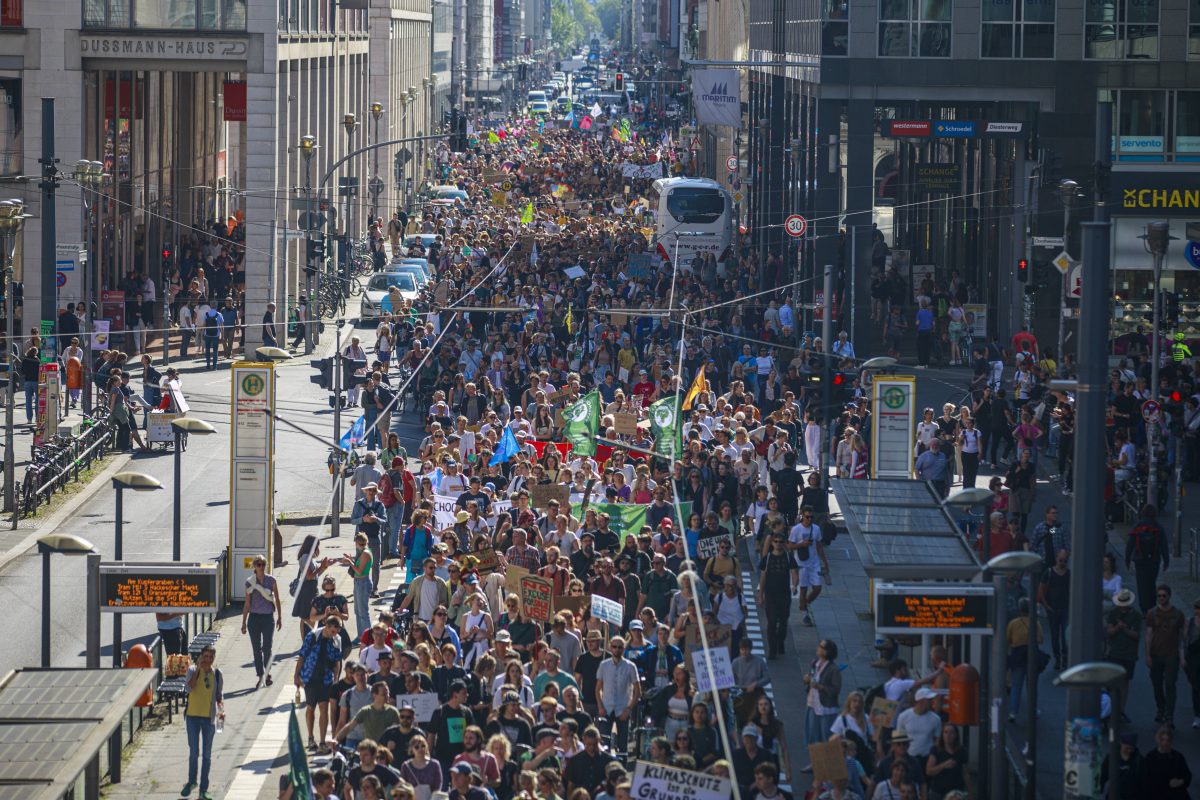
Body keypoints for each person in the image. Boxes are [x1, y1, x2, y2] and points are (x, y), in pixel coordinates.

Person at [295, 615, 346, 750]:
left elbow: (337, 661)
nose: (334, 634)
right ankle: (311, 738)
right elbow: (302, 655)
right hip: (310, 676)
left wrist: (336, 678)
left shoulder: (337, 640)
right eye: (333, 631)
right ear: (327, 627)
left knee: (324, 707)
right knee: (310, 707)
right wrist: (296, 675)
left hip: (326, 678)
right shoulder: (312, 636)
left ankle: (322, 741)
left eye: (337, 632)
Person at [182, 645, 224, 800]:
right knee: (194, 752)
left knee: (207, 755)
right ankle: (192, 781)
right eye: (205, 656)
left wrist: (221, 711)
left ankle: (203, 789)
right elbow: (189, 688)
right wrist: (198, 670)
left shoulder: (217, 674)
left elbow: (219, 696)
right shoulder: (193, 670)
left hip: (209, 719)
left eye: (210, 657)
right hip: (193, 717)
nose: (208, 660)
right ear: (200, 657)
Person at [1145, 583, 1186, 725]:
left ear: (1169, 596)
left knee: (1170, 684)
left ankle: (1169, 714)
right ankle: (1160, 709)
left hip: (1171, 655)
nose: (1161, 598)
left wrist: (1182, 657)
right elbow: (1148, 634)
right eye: (1159, 596)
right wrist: (1148, 655)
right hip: (1156, 654)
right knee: (1156, 684)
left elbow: (1181, 637)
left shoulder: (1178, 614)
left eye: (1164, 596)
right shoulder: (1152, 613)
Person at [241, 554, 283, 689]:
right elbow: (247, 604)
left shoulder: (271, 580)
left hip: (267, 618)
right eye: (258, 564)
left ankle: (267, 673)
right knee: (256, 649)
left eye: (263, 564)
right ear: (254, 566)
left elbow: (277, 599)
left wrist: (280, 617)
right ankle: (261, 676)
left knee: (267, 648)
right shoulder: (250, 582)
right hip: (254, 618)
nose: (261, 567)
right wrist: (243, 622)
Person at [594, 635, 640, 755]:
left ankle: (622, 768)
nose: (617, 649)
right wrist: (600, 706)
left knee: (623, 745)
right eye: (614, 647)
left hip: (622, 709)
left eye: (620, 647)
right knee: (604, 743)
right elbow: (598, 688)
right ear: (610, 647)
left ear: (624, 649)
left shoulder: (630, 666)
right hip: (606, 708)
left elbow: (637, 690)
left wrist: (628, 709)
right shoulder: (604, 665)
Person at [802, 640, 842, 769]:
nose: (818, 648)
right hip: (813, 704)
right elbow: (811, 677)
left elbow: (836, 690)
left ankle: (828, 765)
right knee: (812, 735)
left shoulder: (833, 669)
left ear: (827, 651)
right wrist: (807, 679)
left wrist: (821, 687)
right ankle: (815, 763)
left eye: (821, 647)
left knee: (826, 737)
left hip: (826, 708)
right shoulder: (815, 663)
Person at [787, 508, 829, 626]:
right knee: (803, 589)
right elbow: (789, 545)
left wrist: (825, 562)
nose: (809, 519)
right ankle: (805, 614)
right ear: (802, 516)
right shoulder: (796, 529)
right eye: (807, 517)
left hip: (814, 563)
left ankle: (805, 603)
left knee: (817, 588)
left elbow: (819, 546)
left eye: (811, 517)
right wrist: (801, 544)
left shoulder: (816, 529)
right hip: (801, 563)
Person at [1127, 505, 1170, 614]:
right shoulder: (1158, 527)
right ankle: (1152, 606)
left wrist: (1127, 560)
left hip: (1140, 560)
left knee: (1142, 585)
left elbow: (1130, 545)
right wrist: (1166, 561)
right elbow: (1164, 545)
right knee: (1151, 583)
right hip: (1154, 560)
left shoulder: (1137, 526)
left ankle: (1144, 609)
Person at [1006, 597, 1043, 721]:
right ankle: (1033, 710)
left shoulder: (1013, 623)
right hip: (1032, 655)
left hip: (1017, 655)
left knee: (1016, 685)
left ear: (1019, 609)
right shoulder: (1035, 623)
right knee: (1032, 686)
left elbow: (1008, 639)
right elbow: (1040, 639)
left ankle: (1013, 712)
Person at [1104, 589, 1143, 692]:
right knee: (1113, 682)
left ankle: (1121, 707)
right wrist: (1118, 627)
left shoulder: (1136, 615)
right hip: (1114, 653)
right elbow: (1108, 633)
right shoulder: (1113, 613)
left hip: (1129, 654)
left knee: (1125, 683)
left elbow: (1137, 635)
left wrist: (1124, 629)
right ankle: (1113, 704)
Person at [1038, 549, 1071, 670]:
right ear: (1056, 558)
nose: (1062, 562)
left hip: (1065, 609)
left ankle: (1065, 658)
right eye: (1061, 560)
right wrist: (1046, 606)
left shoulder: (1069, 574)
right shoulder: (1049, 572)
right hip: (1052, 609)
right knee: (1055, 636)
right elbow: (1041, 589)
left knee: (1065, 636)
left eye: (1065, 561)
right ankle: (1057, 658)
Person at [1140, 724, 1192, 799]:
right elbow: (1144, 780)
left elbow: (1187, 776)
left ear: (1171, 741)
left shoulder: (1178, 757)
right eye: (1162, 740)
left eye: (1168, 740)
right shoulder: (1150, 757)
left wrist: (1180, 782)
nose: (1165, 743)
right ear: (1157, 740)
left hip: (1175, 795)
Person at [343, 532, 376, 638]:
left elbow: (359, 570)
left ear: (358, 543)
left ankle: (367, 636)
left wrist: (349, 562)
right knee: (358, 611)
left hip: (363, 583)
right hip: (359, 582)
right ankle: (360, 636)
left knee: (363, 612)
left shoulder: (365, 553)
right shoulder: (363, 552)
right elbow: (359, 565)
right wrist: (352, 560)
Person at [1101, 730, 1146, 800]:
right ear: (1121, 744)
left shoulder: (1139, 760)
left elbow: (1144, 781)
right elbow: (1103, 775)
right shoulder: (1112, 757)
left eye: (1131, 748)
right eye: (1127, 748)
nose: (1129, 751)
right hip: (1115, 795)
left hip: (1134, 796)